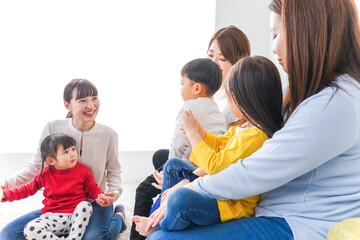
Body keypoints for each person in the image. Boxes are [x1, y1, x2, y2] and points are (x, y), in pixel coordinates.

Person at [144, 0, 360, 239]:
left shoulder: (337, 104)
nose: (274, 47)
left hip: (296, 224)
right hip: (272, 209)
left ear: (307, 32)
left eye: (277, 34)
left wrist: (193, 184)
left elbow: (256, 170)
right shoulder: (310, 92)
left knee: (160, 237)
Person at [132, 55, 284, 237]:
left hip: (230, 205)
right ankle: (162, 213)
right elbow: (220, 143)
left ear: (245, 98)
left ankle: (157, 225)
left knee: (181, 199)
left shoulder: (255, 136)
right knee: (173, 166)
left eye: (229, 95)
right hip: (217, 191)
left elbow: (216, 166)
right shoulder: (243, 127)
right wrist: (201, 132)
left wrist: (193, 134)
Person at [130, 25, 250, 240]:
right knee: (160, 155)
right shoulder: (219, 102)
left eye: (221, 58)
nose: (213, 64)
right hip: (202, 160)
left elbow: (222, 160)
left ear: (240, 62)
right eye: (210, 55)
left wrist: (181, 179)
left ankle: (146, 229)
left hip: (207, 169)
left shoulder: (239, 112)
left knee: (148, 185)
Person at [0, 79, 126, 240]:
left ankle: (119, 217)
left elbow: (114, 171)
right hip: (59, 207)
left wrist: (113, 193)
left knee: (94, 238)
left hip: (94, 202)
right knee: (8, 235)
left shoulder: (109, 134)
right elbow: (36, 166)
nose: (91, 105)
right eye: (83, 100)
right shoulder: (53, 128)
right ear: (68, 105)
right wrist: (6, 184)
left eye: (94, 98)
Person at [131, 58, 227, 239]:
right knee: (159, 156)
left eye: (182, 83)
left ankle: (139, 237)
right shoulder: (216, 108)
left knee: (142, 190)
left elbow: (178, 145)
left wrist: (166, 174)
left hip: (191, 166)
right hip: (206, 163)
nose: (180, 88)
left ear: (196, 88)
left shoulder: (189, 108)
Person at [1, 133, 115, 240]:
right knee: (29, 230)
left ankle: (74, 238)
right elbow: (27, 189)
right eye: (66, 152)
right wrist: (6, 195)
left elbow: (92, 189)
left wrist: (100, 195)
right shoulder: (45, 174)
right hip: (53, 216)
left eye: (73, 149)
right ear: (51, 161)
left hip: (77, 216)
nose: (72, 154)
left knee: (85, 205)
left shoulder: (82, 171)